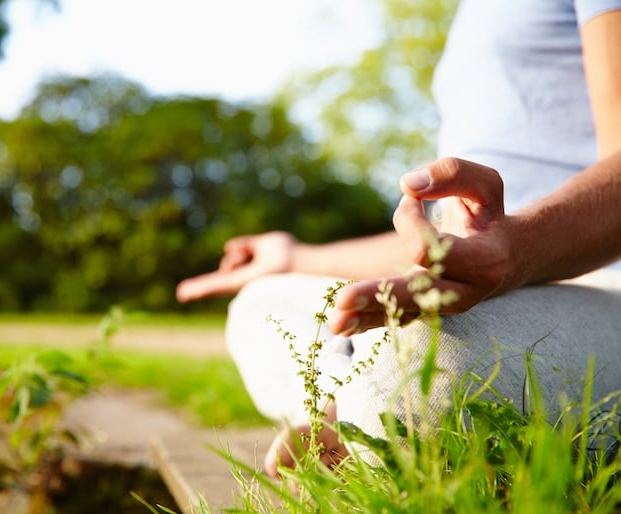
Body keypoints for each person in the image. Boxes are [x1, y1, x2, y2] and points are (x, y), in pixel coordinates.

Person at [177, 0, 621, 475]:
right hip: (500, 281)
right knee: (261, 305)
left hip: (600, 282)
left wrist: (517, 250)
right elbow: (450, 249)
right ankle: (362, 412)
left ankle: (360, 411)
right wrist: (295, 256)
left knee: (426, 371)